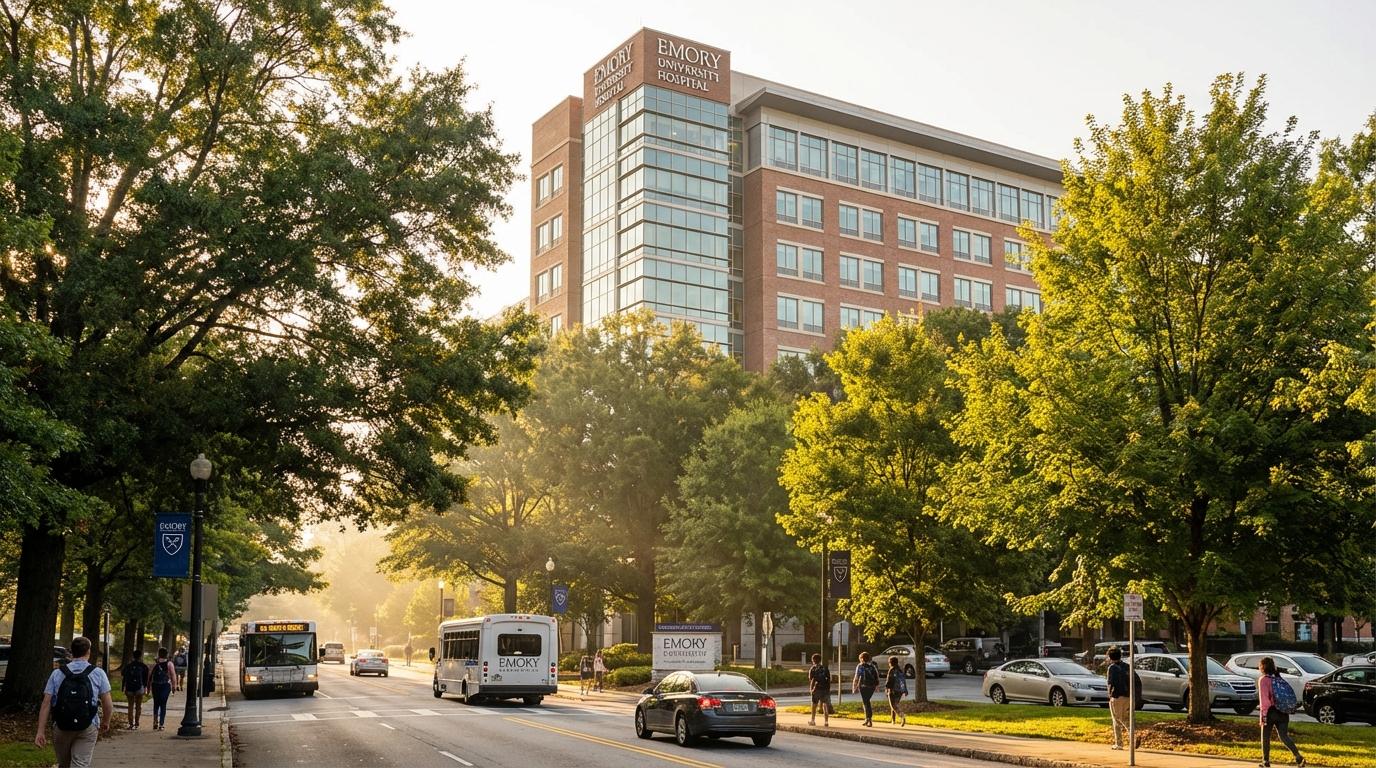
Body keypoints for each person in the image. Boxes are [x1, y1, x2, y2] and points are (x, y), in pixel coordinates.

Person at [34, 636, 114, 768]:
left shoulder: (57, 673)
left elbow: (46, 703)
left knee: (64, 764)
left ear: (71, 652)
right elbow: (107, 702)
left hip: (61, 725)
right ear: (89, 651)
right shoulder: (98, 673)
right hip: (88, 725)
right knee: (80, 764)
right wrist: (106, 721)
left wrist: (40, 731)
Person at [1257, 656, 1306, 768]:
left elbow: (1265, 701)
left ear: (1262, 667)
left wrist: (1263, 716)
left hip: (1270, 712)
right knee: (1284, 736)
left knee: (1265, 737)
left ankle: (1266, 761)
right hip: (1283, 711)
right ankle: (1298, 756)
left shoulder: (1263, 680)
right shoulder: (1278, 678)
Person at [1106, 646, 1131, 750]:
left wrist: (1109, 694)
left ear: (1110, 657)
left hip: (1116, 696)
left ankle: (1119, 743)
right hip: (1127, 696)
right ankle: (1132, 736)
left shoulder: (1111, 668)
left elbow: (1110, 683)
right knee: (1125, 717)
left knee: (1117, 720)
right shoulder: (1127, 666)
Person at [148, 647, 179, 731]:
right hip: (165, 685)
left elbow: (150, 676)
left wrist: (148, 687)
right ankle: (161, 724)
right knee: (163, 704)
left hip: (155, 685)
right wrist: (174, 686)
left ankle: (155, 721)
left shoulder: (154, 664)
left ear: (159, 654)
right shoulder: (169, 664)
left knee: (156, 703)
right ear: (167, 654)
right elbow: (173, 675)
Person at [121, 649, 149, 730]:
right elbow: (146, 678)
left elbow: (123, 674)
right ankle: (137, 723)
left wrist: (123, 687)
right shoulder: (143, 666)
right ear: (140, 656)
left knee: (130, 706)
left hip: (129, 688)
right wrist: (145, 687)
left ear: (133, 656)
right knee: (138, 706)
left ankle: (130, 724)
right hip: (139, 688)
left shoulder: (128, 666)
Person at [852, 651, 880, 727]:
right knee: (866, 702)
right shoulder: (872, 666)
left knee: (866, 702)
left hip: (863, 686)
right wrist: (877, 686)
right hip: (872, 687)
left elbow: (856, 677)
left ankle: (869, 719)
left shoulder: (860, 666)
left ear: (862, 659)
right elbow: (877, 676)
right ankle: (867, 719)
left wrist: (854, 687)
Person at [807, 653, 831, 726]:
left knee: (814, 705)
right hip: (825, 689)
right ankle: (826, 721)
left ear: (813, 660)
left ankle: (813, 720)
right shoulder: (825, 668)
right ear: (820, 660)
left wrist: (811, 689)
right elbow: (829, 679)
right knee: (825, 705)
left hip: (816, 689)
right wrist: (828, 689)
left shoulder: (813, 669)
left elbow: (812, 680)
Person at [885, 655, 908, 726]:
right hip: (900, 691)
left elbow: (889, 680)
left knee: (893, 706)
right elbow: (903, 681)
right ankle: (893, 720)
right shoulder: (900, 670)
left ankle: (902, 716)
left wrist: (887, 688)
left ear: (891, 663)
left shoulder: (891, 670)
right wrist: (905, 690)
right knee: (895, 704)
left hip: (892, 690)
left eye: (889, 663)